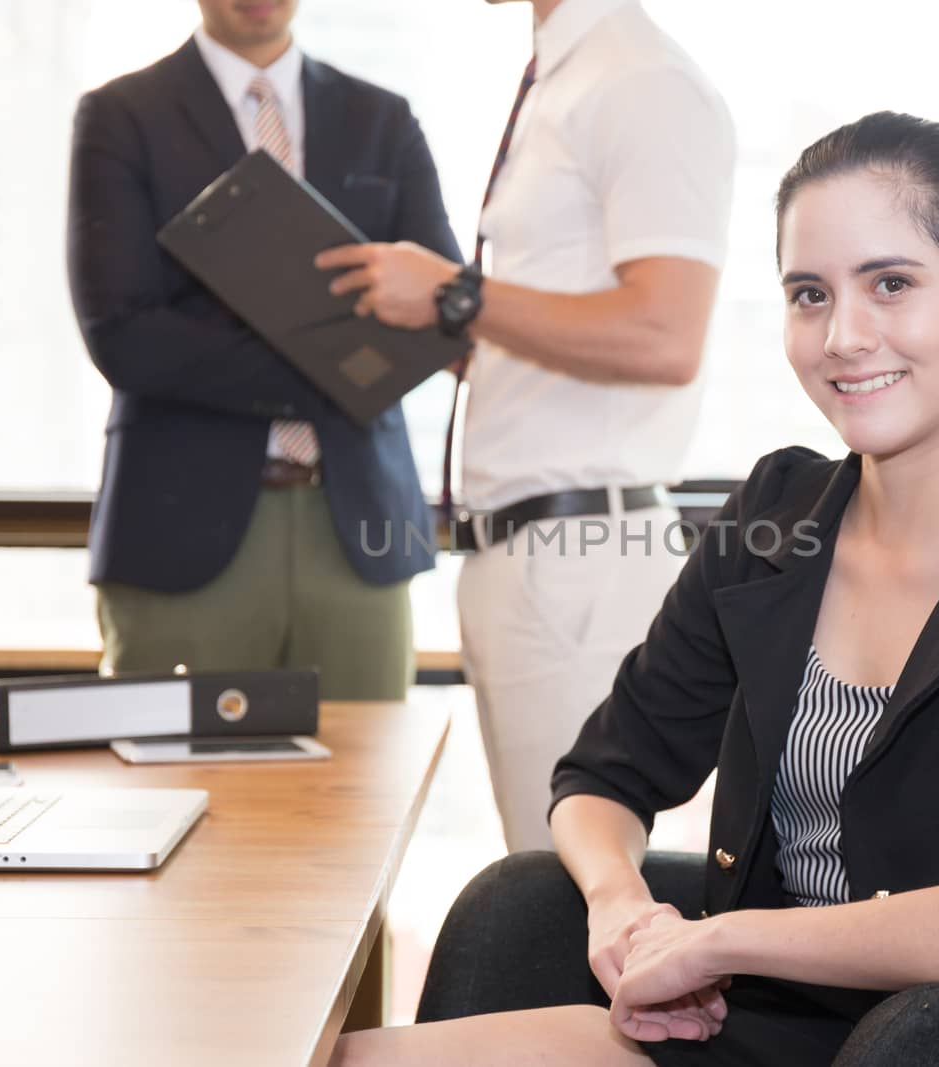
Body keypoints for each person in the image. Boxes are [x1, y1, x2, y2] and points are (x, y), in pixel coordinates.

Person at [328, 111, 939, 1065]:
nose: (844, 337)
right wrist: (620, 904)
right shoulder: (775, 517)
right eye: (809, 295)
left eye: (891, 285)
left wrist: (720, 939)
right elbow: (602, 777)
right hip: (741, 1023)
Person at [315, 0, 736, 852]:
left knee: (580, 895)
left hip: (576, 565)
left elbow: (664, 335)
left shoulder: (638, 79)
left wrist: (455, 294)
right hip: (532, 562)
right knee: (553, 883)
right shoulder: (569, 74)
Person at [67, 0, 460, 697]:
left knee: (364, 795)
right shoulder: (123, 115)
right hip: (180, 527)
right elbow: (125, 336)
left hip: (357, 530)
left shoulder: (384, 119)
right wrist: (337, 364)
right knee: (178, 797)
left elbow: (442, 315)